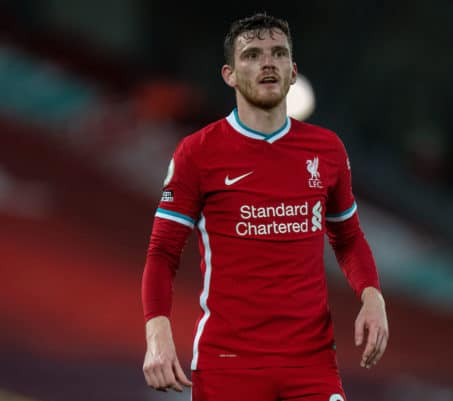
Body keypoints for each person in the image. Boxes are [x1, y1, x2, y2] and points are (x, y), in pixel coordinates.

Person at [141, 12, 389, 401]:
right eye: (252, 55)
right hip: (228, 364)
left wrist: (372, 297)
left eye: (278, 53)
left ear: (293, 71)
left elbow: (348, 236)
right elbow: (162, 251)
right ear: (229, 75)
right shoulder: (198, 152)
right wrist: (157, 333)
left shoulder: (327, 150)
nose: (267, 62)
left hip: (312, 363)